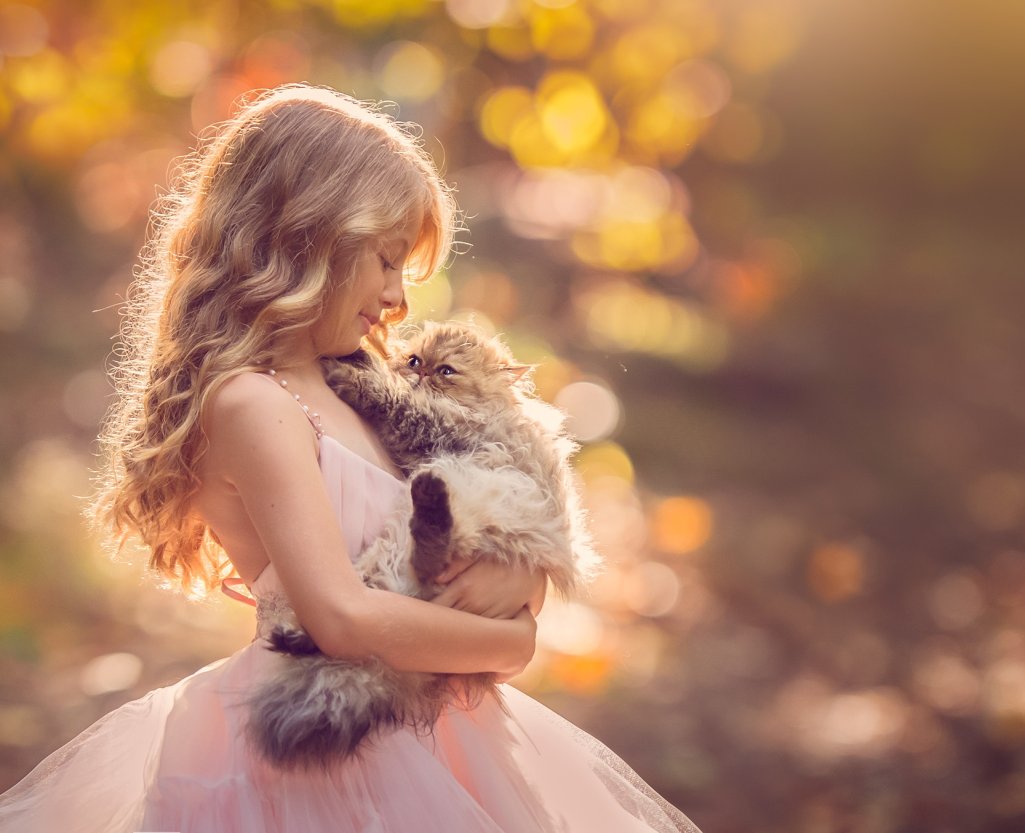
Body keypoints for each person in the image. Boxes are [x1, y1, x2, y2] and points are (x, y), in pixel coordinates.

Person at [0, 84, 701, 832]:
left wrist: (516, 580)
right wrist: (514, 638)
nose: (399, 298)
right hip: (326, 760)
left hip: (449, 735)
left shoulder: (366, 381)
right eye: (386, 261)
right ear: (310, 238)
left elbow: (479, 513)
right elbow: (340, 614)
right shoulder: (254, 403)